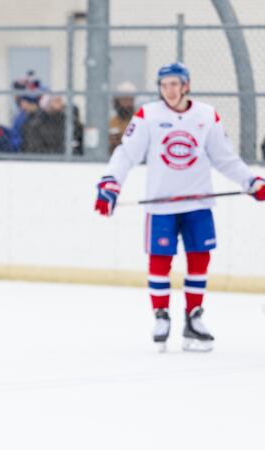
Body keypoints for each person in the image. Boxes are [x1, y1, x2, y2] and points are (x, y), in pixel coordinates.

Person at [94, 62, 265, 352]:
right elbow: (126, 153)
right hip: (161, 205)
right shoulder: (148, 115)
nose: (169, 90)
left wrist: (251, 181)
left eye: (174, 84)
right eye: (163, 85)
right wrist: (111, 182)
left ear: (186, 85)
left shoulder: (206, 115)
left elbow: (224, 158)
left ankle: (194, 316)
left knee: (200, 259)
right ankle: (161, 316)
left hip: (198, 203)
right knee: (160, 260)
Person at [108, 81, 137, 154]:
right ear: (117, 102)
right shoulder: (111, 122)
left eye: (131, 100)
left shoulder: (139, 121)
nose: (128, 104)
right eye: (125, 100)